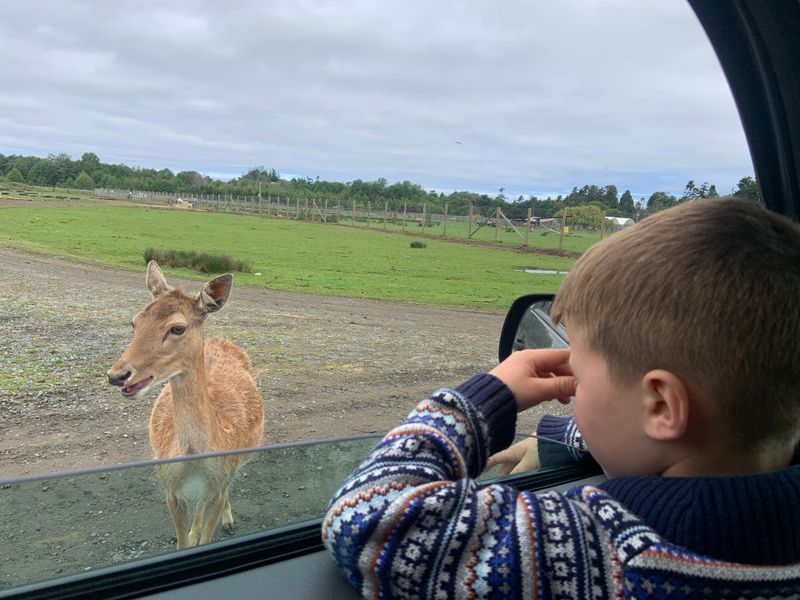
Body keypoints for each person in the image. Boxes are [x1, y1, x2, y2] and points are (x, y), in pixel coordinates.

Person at [322, 198, 800, 598]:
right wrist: (557, 437)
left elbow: (367, 520)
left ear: (660, 406)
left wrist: (484, 398)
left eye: (582, 378)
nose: (571, 386)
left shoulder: (604, 553)